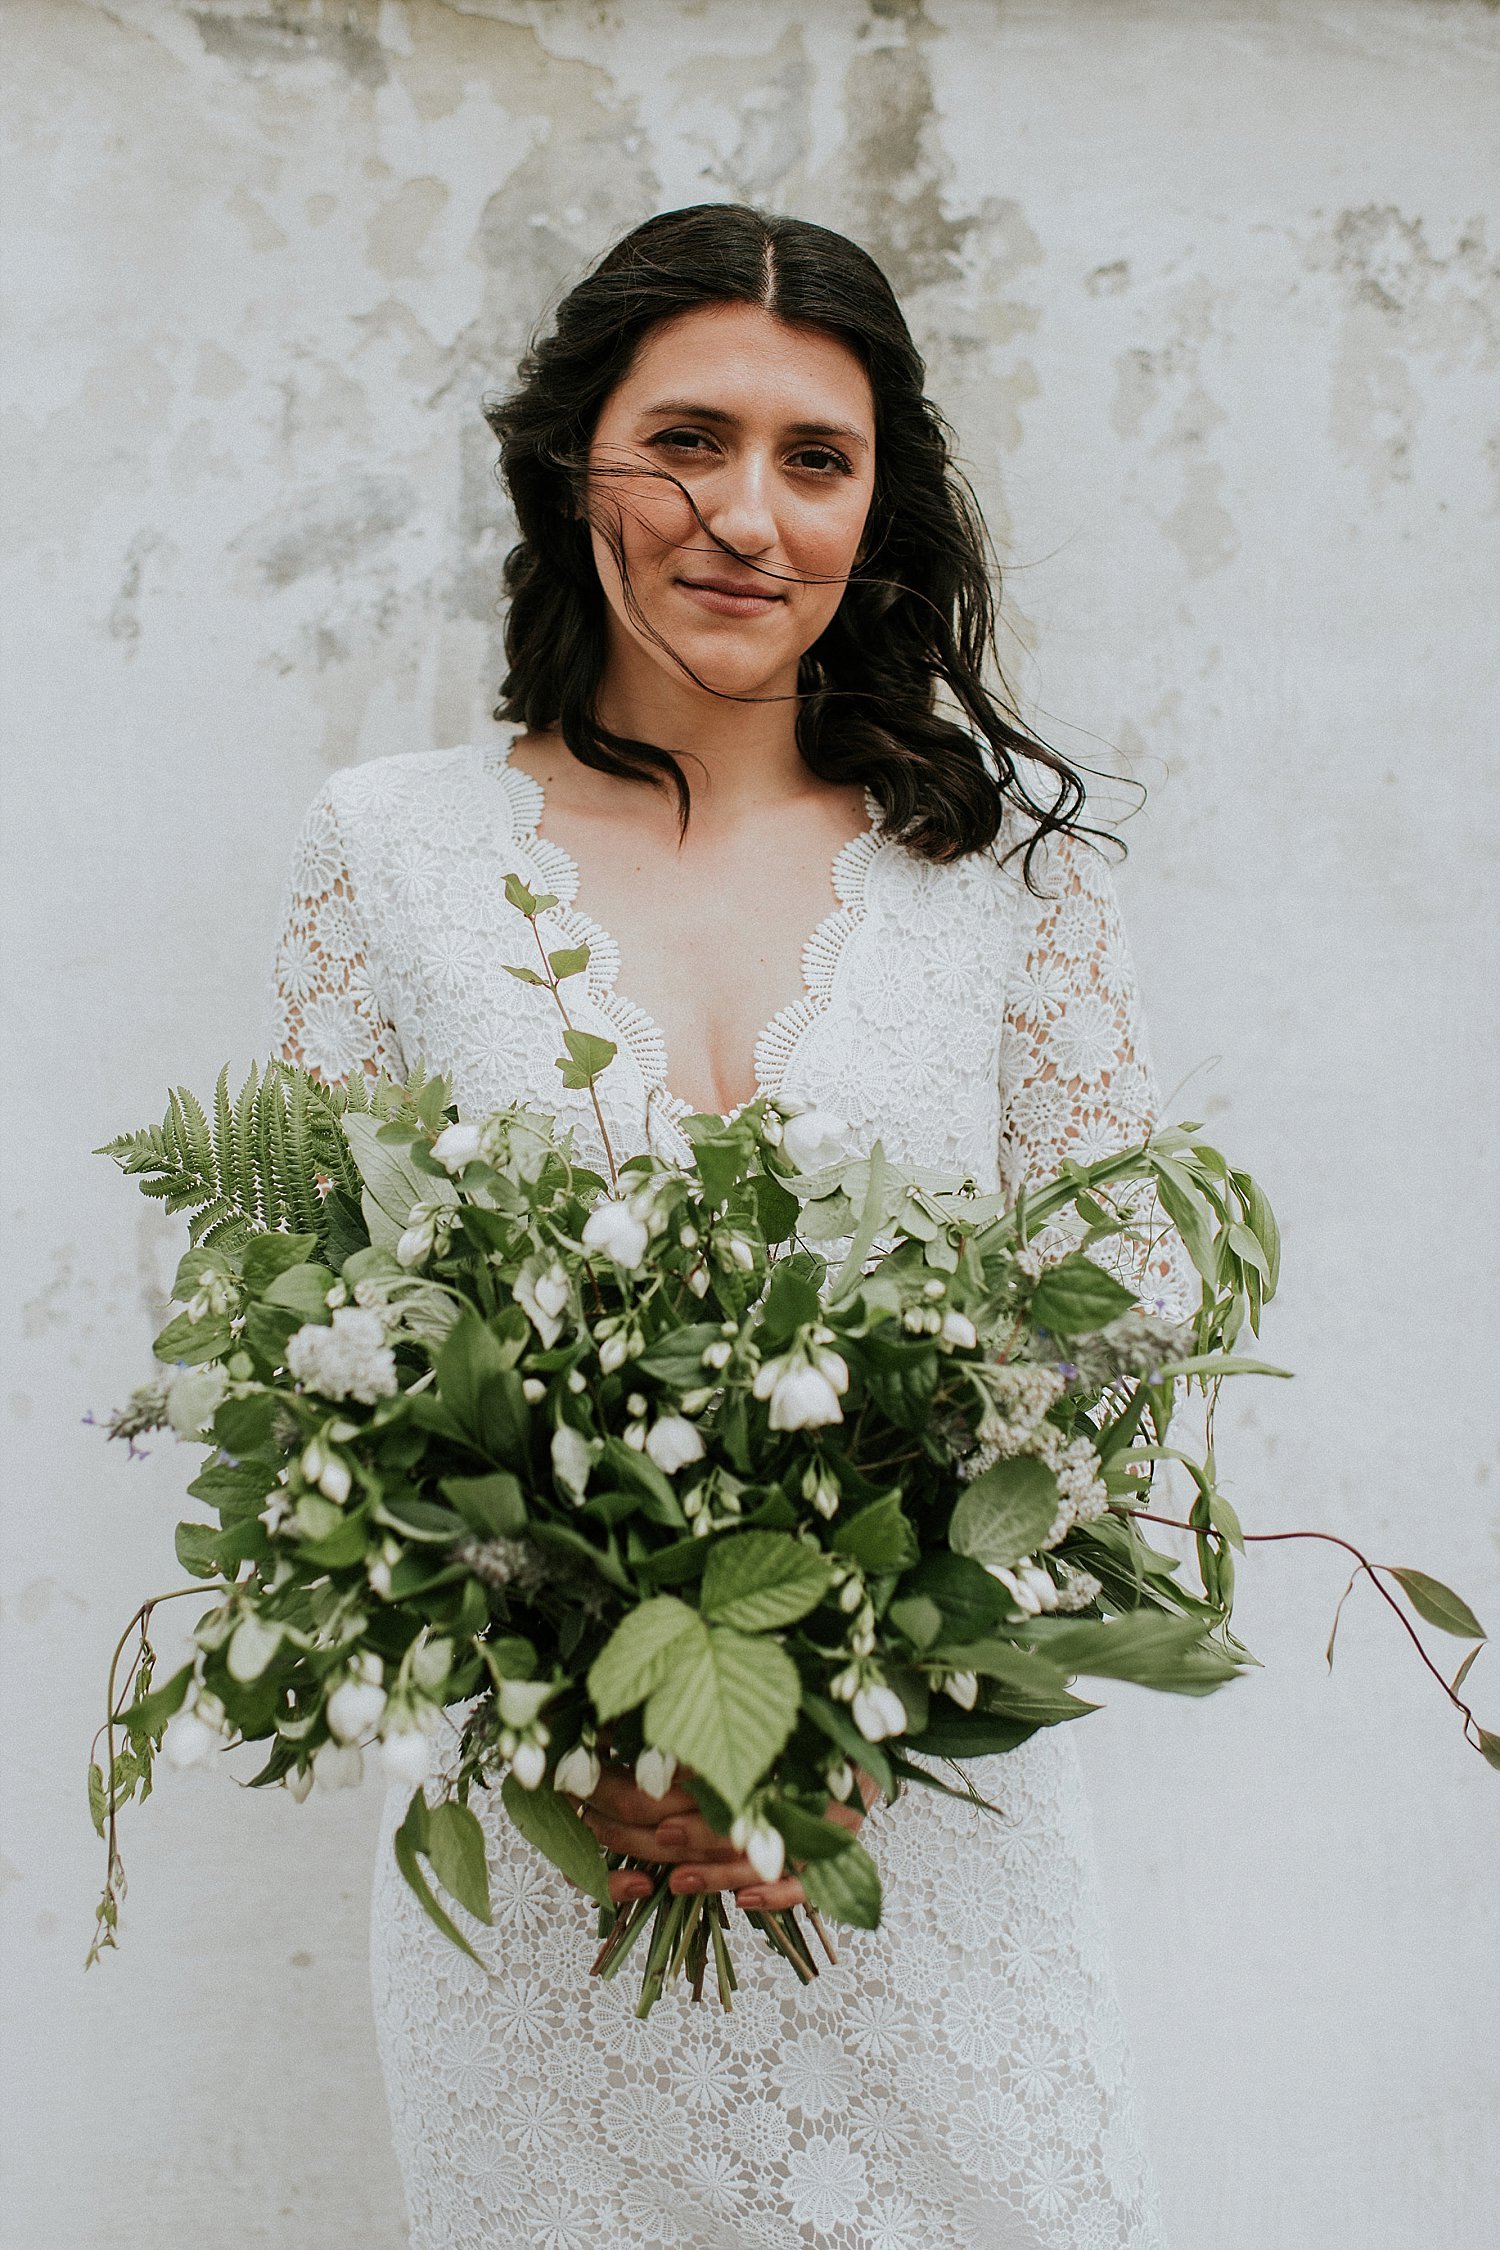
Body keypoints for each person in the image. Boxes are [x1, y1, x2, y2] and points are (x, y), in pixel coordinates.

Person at [272, 203, 1184, 2250]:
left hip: (922, 1851)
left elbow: (1125, 1353)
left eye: (815, 458)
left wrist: (870, 1703)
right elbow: (315, 1347)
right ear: (572, 461)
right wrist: (570, 1717)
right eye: (686, 439)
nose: (744, 516)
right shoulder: (391, 855)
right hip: (555, 1879)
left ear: (883, 507)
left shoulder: (1017, 883)